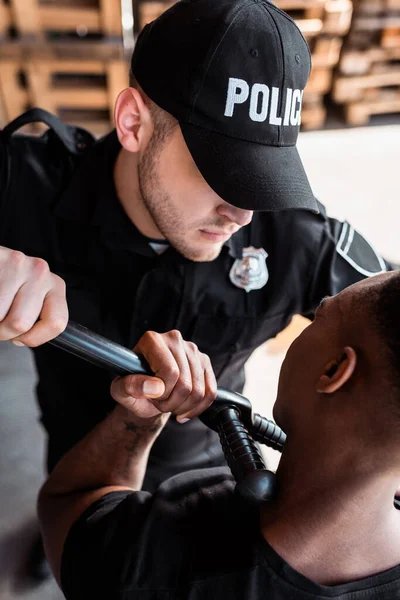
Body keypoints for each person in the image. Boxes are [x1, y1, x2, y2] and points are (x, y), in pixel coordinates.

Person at [0, 0, 394, 578]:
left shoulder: (295, 234)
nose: (242, 211)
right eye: (221, 172)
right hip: (73, 445)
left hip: (208, 471)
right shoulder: (25, 184)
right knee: (71, 524)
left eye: (262, 174)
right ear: (134, 122)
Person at [38, 270, 400, 599]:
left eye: (320, 316)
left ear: (334, 370)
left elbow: (69, 498)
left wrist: (141, 416)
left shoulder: (150, 562)